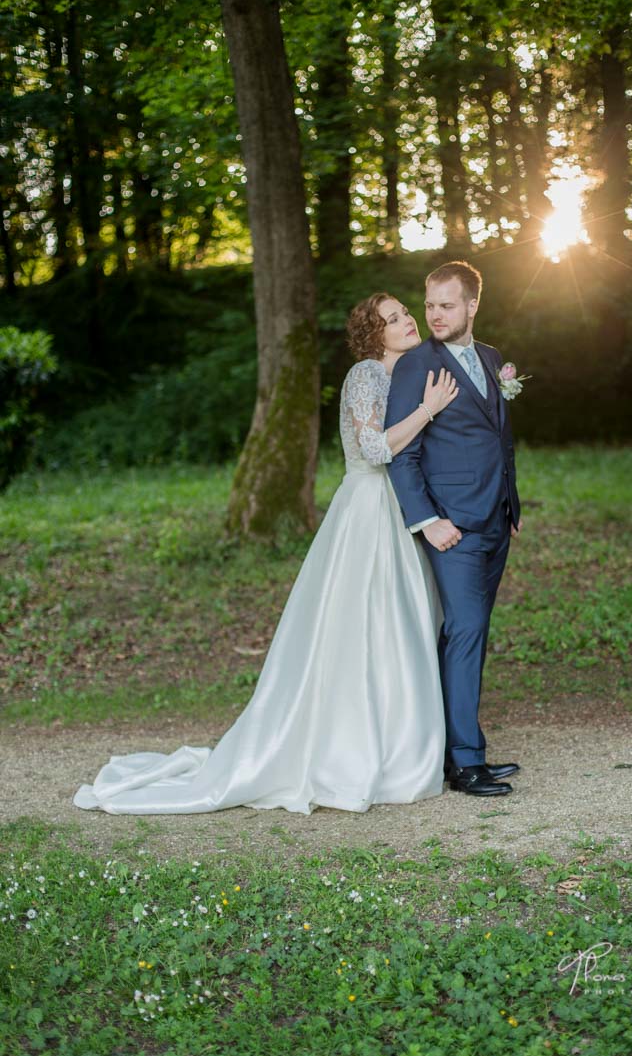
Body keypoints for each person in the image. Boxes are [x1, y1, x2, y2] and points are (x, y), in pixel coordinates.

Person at [74, 294, 459, 816]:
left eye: (404, 313)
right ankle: (352, 750)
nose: (407, 321)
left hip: (401, 508)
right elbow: (373, 449)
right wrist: (426, 411)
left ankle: (401, 745)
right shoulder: (366, 374)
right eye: (392, 319)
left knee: (400, 623)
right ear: (374, 335)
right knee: (362, 626)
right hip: (369, 508)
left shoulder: (405, 374)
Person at [385, 261, 522, 797]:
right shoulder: (415, 366)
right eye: (429, 305)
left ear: (471, 306)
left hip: (494, 520)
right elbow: (402, 454)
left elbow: (498, 438)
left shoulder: (490, 359)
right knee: (464, 630)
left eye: (446, 305)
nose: (434, 315)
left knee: (474, 632)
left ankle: (458, 745)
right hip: (452, 528)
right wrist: (428, 520)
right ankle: (465, 761)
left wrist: (509, 504)